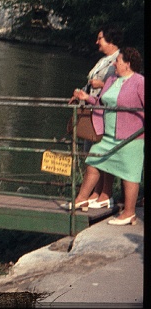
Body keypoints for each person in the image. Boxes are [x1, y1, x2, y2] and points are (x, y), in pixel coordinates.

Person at [70, 47, 144, 225]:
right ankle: (80, 200)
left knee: (129, 174)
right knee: (93, 163)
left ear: (127, 64)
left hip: (131, 137)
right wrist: (86, 97)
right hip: (109, 135)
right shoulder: (111, 79)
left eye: (117, 61)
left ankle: (129, 213)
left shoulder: (140, 82)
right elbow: (101, 103)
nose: (113, 64)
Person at [68, 25, 122, 207]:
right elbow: (90, 83)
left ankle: (104, 193)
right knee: (91, 151)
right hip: (92, 110)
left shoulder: (119, 60)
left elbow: (118, 85)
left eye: (100, 38)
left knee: (99, 152)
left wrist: (102, 83)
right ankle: (97, 192)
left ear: (110, 40)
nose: (96, 42)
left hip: (103, 112)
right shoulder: (103, 60)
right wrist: (79, 94)